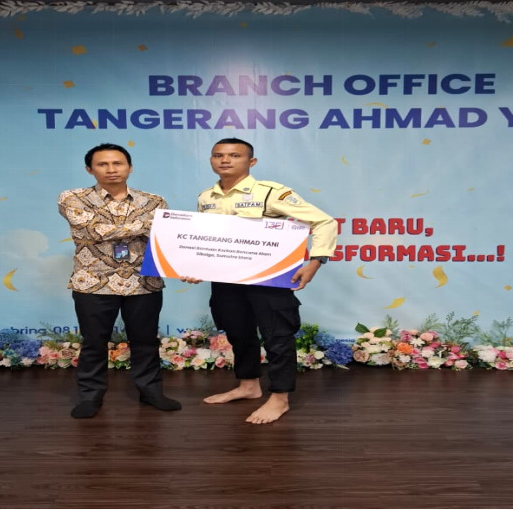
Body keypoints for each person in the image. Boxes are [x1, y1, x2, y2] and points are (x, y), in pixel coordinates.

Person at [181, 138, 338, 424]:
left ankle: (279, 398)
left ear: (251, 162)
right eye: (218, 155)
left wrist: (316, 261)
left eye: (234, 155)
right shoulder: (206, 197)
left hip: (269, 280)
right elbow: (207, 240)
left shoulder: (271, 193)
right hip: (226, 280)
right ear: (211, 160)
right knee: (238, 334)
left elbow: (325, 222)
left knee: (278, 336)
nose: (225, 160)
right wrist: (196, 266)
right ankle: (248, 386)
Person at [58, 143, 181, 419]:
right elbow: (90, 232)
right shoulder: (73, 197)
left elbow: (163, 237)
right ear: (89, 169)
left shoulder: (154, 201)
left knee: (145, 341)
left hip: (144, 282)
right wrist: (144, 226)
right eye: (102, 164)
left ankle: (151, 391)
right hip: (93, 282)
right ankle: (90, 396)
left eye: (118, 163)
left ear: (130, 167)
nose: (111, 169)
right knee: (94, 342)